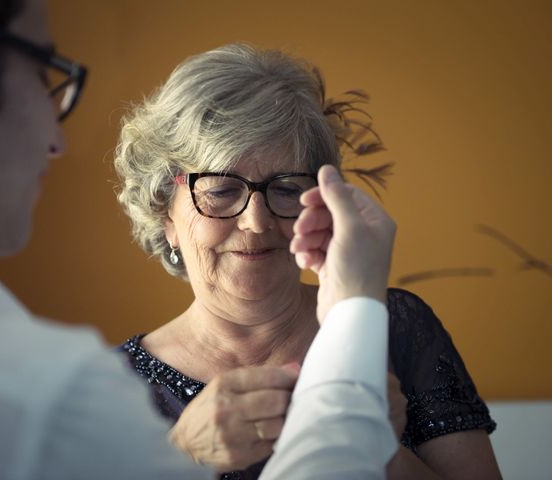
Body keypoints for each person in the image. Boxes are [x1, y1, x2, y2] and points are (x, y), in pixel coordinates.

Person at [0, 0, 400, 478]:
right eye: (44, 72)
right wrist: (355, 333)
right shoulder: (48, 394)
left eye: (286, 188)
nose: (56, 140)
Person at [114, 43, 503, 479]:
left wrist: (373, 444)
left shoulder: (395, 328)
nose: (257, 222)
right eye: (221, 190)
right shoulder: (111, 388)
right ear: (165, 213)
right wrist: (183, 457)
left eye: (284, 188)